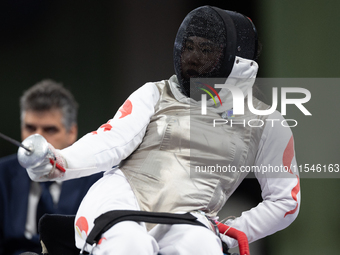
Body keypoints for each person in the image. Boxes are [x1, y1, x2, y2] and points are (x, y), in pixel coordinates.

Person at [25, 6, 301, 255]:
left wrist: (229, 233)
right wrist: (59, 161)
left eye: (205, 51)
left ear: (237, 62)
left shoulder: (267, 124)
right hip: (122, 200)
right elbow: (111, 140)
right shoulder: (155, 93)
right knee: (130, 246)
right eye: (189, 47)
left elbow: (284, 200)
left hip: (189, 218)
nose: (192, 58)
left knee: (203, 248)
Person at [0, 80, 103, 255]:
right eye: (30, 128)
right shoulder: (3, 174)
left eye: (50, 130)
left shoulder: (96, 179)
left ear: (72, 132)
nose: (36, 140)